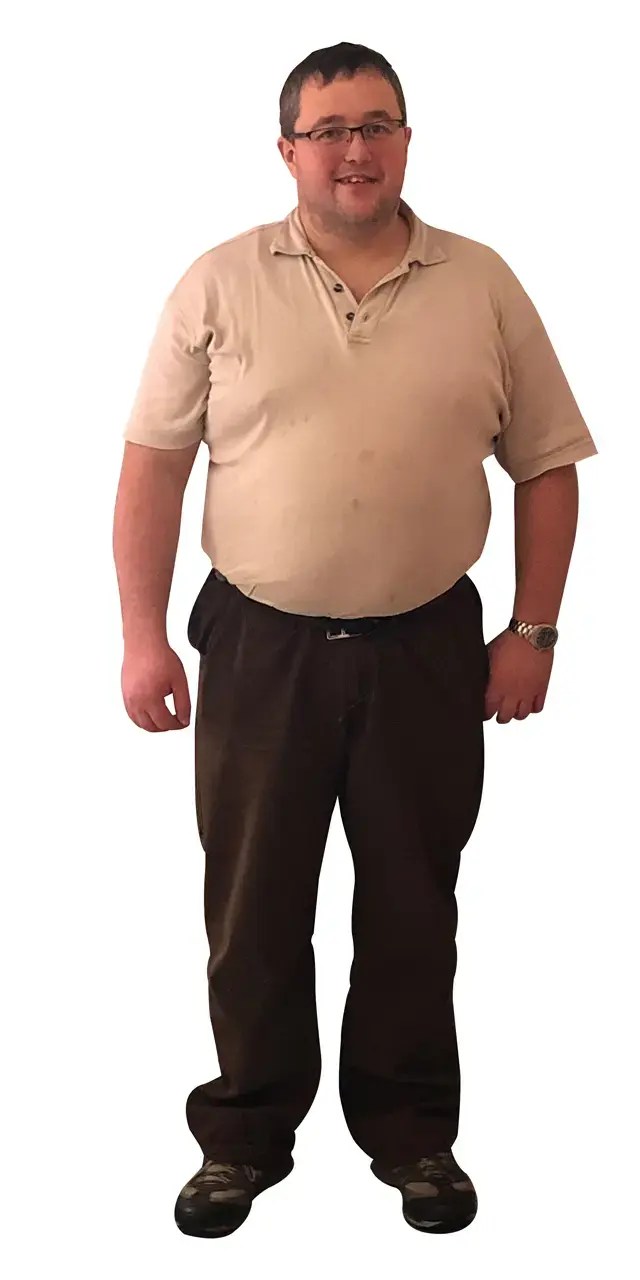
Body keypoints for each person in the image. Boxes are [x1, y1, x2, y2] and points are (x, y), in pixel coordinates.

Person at [113, 41, 598, 1239]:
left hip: (425, 646)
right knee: (252, 908)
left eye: (376, 124)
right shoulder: (218, 284)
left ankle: (414, 1132)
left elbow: (546, 463)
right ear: (287, 150)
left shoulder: (481, 283)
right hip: (260, 648)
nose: (354, 149)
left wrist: (532, 626)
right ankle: (242, 1136)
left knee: (413, 905)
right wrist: (141, 636)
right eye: (328, 129)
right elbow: (153, 468)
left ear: (406, 140)